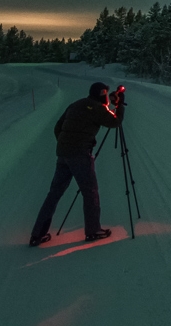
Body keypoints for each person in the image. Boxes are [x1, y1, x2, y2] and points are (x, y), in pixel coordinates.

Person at [29, 81, 126, 246]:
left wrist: (65, 142)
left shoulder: (75, 105)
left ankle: (38, 234)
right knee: (90, 192)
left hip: (63, 154)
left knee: (54, 193)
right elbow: (115, 122)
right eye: (106, 95)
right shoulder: (97, 108)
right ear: (102, 94)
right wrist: (120, 105)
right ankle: (93, 230)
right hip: (80, 154)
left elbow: (57, 127)